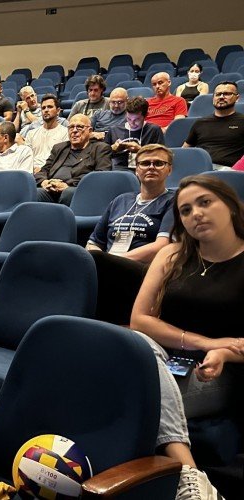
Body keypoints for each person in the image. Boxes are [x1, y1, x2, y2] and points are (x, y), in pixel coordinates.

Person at [128, 175, 242, 500]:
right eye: (186, 210)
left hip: (219, 371)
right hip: (162, 359)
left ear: (231, 207)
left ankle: (186, 480)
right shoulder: (172, 255)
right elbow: (140, 320)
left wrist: (223, 353)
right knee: (139, 344)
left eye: (206, 203)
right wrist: (205, 342)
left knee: (136, 404)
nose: (196, 214)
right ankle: (192, 476)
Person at [87, 144, 175, 324]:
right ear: (136, 170)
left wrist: (115, 259)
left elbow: (162, 245)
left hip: (145, 269)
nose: (151, 167)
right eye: (145, 163)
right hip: (108, 264)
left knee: (96, 263)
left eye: (158, 163)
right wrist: (107, 259)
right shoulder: (121, 200)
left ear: (169, 170)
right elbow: (94, 242)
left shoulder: (174, 200)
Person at [35, 114, 111, 205]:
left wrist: (67, 185)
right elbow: (43, 171)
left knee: (68, 193)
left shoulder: (100, 148)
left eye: (79, 127)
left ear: (90, 131)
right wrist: (45, 181)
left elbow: (100, 176)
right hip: (52, 189)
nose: (74, 131)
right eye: (71, 127)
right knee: (36, 193)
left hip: (79, 190)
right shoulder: (59, 148)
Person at [183, 81, 244, 168]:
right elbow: (185, 149)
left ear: (237, 98)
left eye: (226, 94)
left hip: (229, 171)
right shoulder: (200, 123)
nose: (221, 97)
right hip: (200, 169)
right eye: (218, 94)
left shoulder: (242, 121)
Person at [106, 96, 165, 170]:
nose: (132, 123)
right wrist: (112, 149)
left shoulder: (154, 130)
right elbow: (103, 156)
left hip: (146, 169)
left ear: (145, 116)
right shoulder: (114, 130)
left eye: (137, 120)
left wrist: (140, 150)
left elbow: (162, 157)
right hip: (118, 170)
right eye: (129, 119)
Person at [19, 94, 69, 171]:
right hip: (32, 172)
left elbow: (62, 159)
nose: (46, 110)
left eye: (50, 107)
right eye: (43, 108)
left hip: (53, 171)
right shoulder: (31, 134)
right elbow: (26, 158)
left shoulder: (65, 133)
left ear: (58, 111)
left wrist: (42, 170)